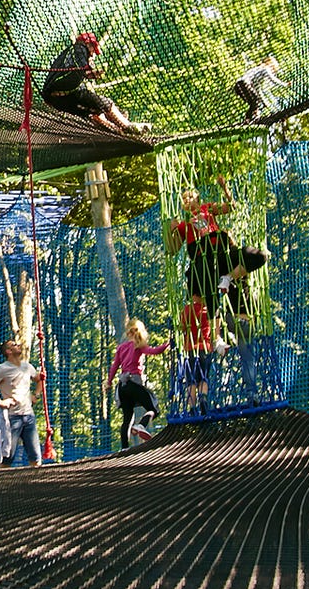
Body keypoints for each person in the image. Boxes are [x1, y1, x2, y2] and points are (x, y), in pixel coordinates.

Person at [166, 175, 268, 318]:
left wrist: (224, 188)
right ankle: (214, 326)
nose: (186, 200)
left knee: (257, 256)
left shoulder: (207, 208)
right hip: (203, 262)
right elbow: (173, 249)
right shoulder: (183, 225)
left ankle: (228, 278)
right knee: (204, 297)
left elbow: (231, 206)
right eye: (183, 199)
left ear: (197, 198)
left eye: (190, 196)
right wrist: (171, 231)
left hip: (220, 253)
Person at [41, 30, 150, 134]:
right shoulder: (80, 49)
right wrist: (91, 70)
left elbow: (75, 71)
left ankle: (117, 131)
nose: (93, 54)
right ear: (88, 44)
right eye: (93, 49)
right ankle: (128, 126)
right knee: (106, 103)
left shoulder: (69, 54)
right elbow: (79, 68)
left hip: (56, 99)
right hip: (69, 93)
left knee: (92, 112)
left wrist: (92, 74)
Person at [0, 339, 46, 467]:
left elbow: (40, 380)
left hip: (29, 416)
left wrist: (36, 395)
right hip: (12, 418)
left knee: (36, 458)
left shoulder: (27, 367)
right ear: (8, 351)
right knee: (7, 458)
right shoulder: (2, 369)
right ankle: (3, 479)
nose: (18, 345)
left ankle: (36, 479)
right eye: (14, 345)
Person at [108, 318, 169, 448]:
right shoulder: (138, 346)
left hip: (122, 387)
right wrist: (167, 344)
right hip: (133, 383)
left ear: (128, 332)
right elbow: (154, 351)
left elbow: (114, 367)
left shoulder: (121, 348)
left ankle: (124, 448)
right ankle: (141, 425)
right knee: (154, 409)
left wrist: (108, 383)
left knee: (127, 418)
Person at [178, 297, 214, 416]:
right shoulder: (208, 310)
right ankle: (203, 398)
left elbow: (183, 327)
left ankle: (192, 407)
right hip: (205, 348)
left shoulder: (188, 309)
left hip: (190, 348)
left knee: (191, 380)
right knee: (203, 378)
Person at [233, 56, 288, 124]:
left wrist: (264, 103)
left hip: (238, 86)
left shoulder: (257, 72)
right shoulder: (265, 69)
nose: (273, 71)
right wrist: (284, 84)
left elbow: (258, 90)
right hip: (244, 84)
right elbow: (273, 79)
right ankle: (249, 118)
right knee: (256, 102)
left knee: (254, 103)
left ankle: (250, 118)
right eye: (273, 69)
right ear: (270, 64)